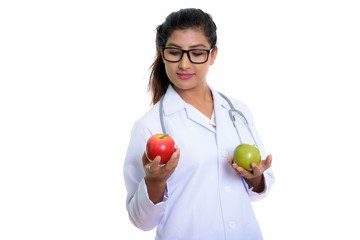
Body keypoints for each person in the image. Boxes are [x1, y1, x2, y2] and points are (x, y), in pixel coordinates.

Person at [123, 8, 275, 240]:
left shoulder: (237, 111)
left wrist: (254, 177)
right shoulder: (149, 126)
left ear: (213, 55)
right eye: (174, 52)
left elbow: (259, 190)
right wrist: (155, 181)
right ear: (162, 54)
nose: (184, 64)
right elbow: (141, 221)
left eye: (196, 53)